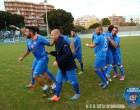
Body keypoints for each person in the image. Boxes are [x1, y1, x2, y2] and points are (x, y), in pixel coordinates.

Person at [47, 29, 80, 102]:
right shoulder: (57, 42)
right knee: (58, 81)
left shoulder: (63, 42)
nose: (51, 36)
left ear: (57, 35)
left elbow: (67, 54)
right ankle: (57, 96)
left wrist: (58, 61)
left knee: (73, 82)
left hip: (69, 66)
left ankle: (77, 93)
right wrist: (49, 52)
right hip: (62, 66)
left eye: (52, 35)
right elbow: (58, 52)